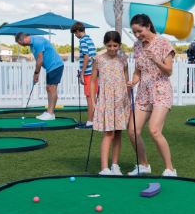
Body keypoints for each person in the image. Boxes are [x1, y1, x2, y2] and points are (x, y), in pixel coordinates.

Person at [125, 14, 177, 176]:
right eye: (134, 32)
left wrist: (155, 59)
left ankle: (170, 169)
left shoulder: (163, 43)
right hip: (143, 92)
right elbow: (137, 71)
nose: (137, 35)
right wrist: (133, 82)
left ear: (148, 26)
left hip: (161, 90)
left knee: (154, 130)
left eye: (139, 31)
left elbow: (168, 71)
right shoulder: (137, 46)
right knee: (132, 131)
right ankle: (144, 165)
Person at [91, 31, 130, 175]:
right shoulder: (98, 60)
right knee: (109, 133)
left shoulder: (123, 60)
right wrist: (94, 102)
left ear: (119, 45)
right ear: (104, 45)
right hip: (106, 100)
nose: (112, 48)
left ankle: (115, 165)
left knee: (118, 132)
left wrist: (129, 100)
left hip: (121, 100)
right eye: (109, 46)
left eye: (115, 45)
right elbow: (93, 81)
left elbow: (126, 81)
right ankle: (104, 168)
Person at [16, 32, 65, 120]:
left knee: (52, 88)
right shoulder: (32, 46)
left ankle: (50, 113)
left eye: (23, 43)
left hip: (56, 65)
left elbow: (40, 60)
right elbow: (37, 60)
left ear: (25, 37)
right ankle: (49, 112)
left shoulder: (37, 42)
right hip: (50, 68)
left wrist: (35, 73)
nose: (23, 46)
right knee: (48, 88)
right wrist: (37, 74)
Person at [72, 22, 97, 128]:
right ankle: (95, 120)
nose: (75, 36)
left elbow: (86, 57)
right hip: (94, 71)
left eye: (74, 34)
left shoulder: (82, 41)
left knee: (89, 97)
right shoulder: (89, 39)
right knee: (93, 97)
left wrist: (82, 73)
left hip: (88, 73)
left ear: (77, 31)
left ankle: (91, 121)